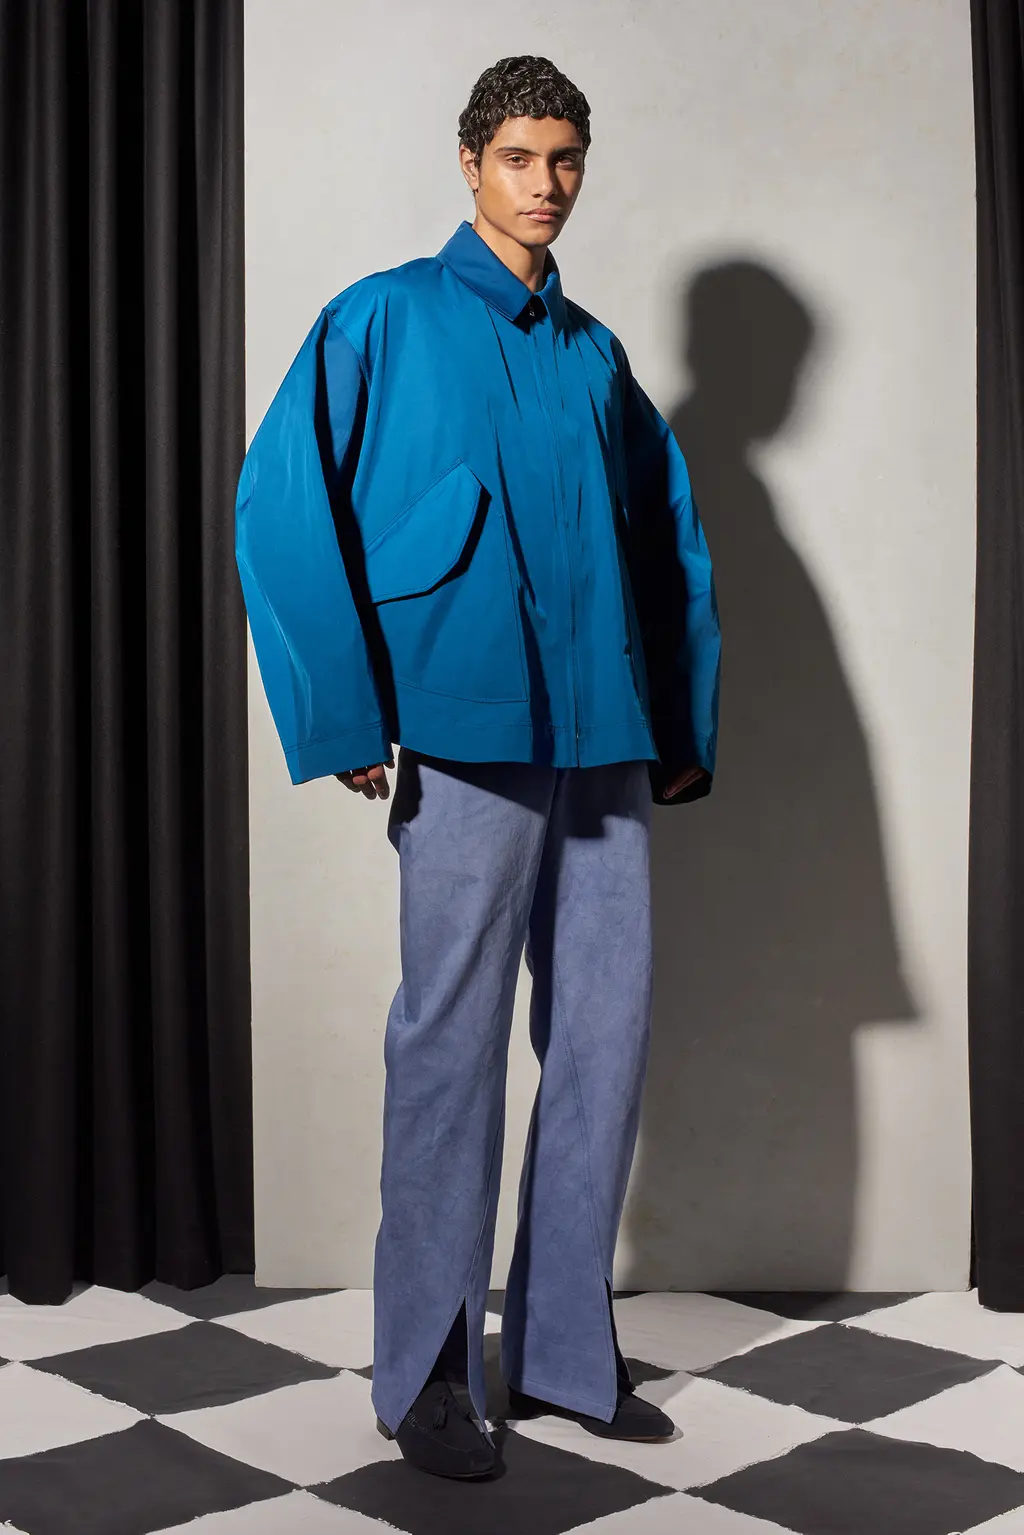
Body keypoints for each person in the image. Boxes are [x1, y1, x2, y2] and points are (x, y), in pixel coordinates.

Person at [235, 54, 721, 1482]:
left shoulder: (593, 353)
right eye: (520, 157)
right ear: (469, 163)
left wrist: (678, 727)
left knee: (604, 1044)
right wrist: (343, 712)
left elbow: (667, 539)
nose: (546, 184)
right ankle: (429, 1372)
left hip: (604, 742)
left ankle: (564, 1355)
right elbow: (280, 501)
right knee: (448, 1046)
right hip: (464, 733)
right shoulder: (381, 316)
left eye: (566, 158)